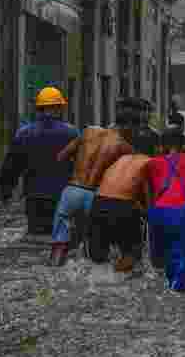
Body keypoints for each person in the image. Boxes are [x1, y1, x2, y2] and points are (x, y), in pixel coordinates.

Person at [51, 112, 137, 267]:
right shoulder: (125, 147)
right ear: (127, 127)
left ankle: (55, 268)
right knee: (93, 244)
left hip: (72, 190)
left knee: (60, 241)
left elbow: (60, 157)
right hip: (96, 197)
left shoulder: (88, 131)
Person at [0, 87, 80, 231]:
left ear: (38, 108)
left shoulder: (24, 133)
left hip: (34, 197)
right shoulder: (72, 133)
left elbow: (11, 167)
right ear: (60, 108)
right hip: (61, 197)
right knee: (59, 240)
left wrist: (6, 192)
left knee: (35, 239)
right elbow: (80, 167)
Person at [147, 126, 185, 292]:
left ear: (162, 145)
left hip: (157, 211)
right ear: (184, 143)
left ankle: (170, 286)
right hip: (183, 210)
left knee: (167, 255)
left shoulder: (152, 163)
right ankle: (178, 289)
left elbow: (151, 194)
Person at [90, 129, 156, 274]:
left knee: (99, 257)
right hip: (122, 207)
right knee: (133, 252)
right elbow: (149, 197)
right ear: (155, 148)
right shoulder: (150, 162)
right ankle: (118, 277)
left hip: (98, 203)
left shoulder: (121, 159)